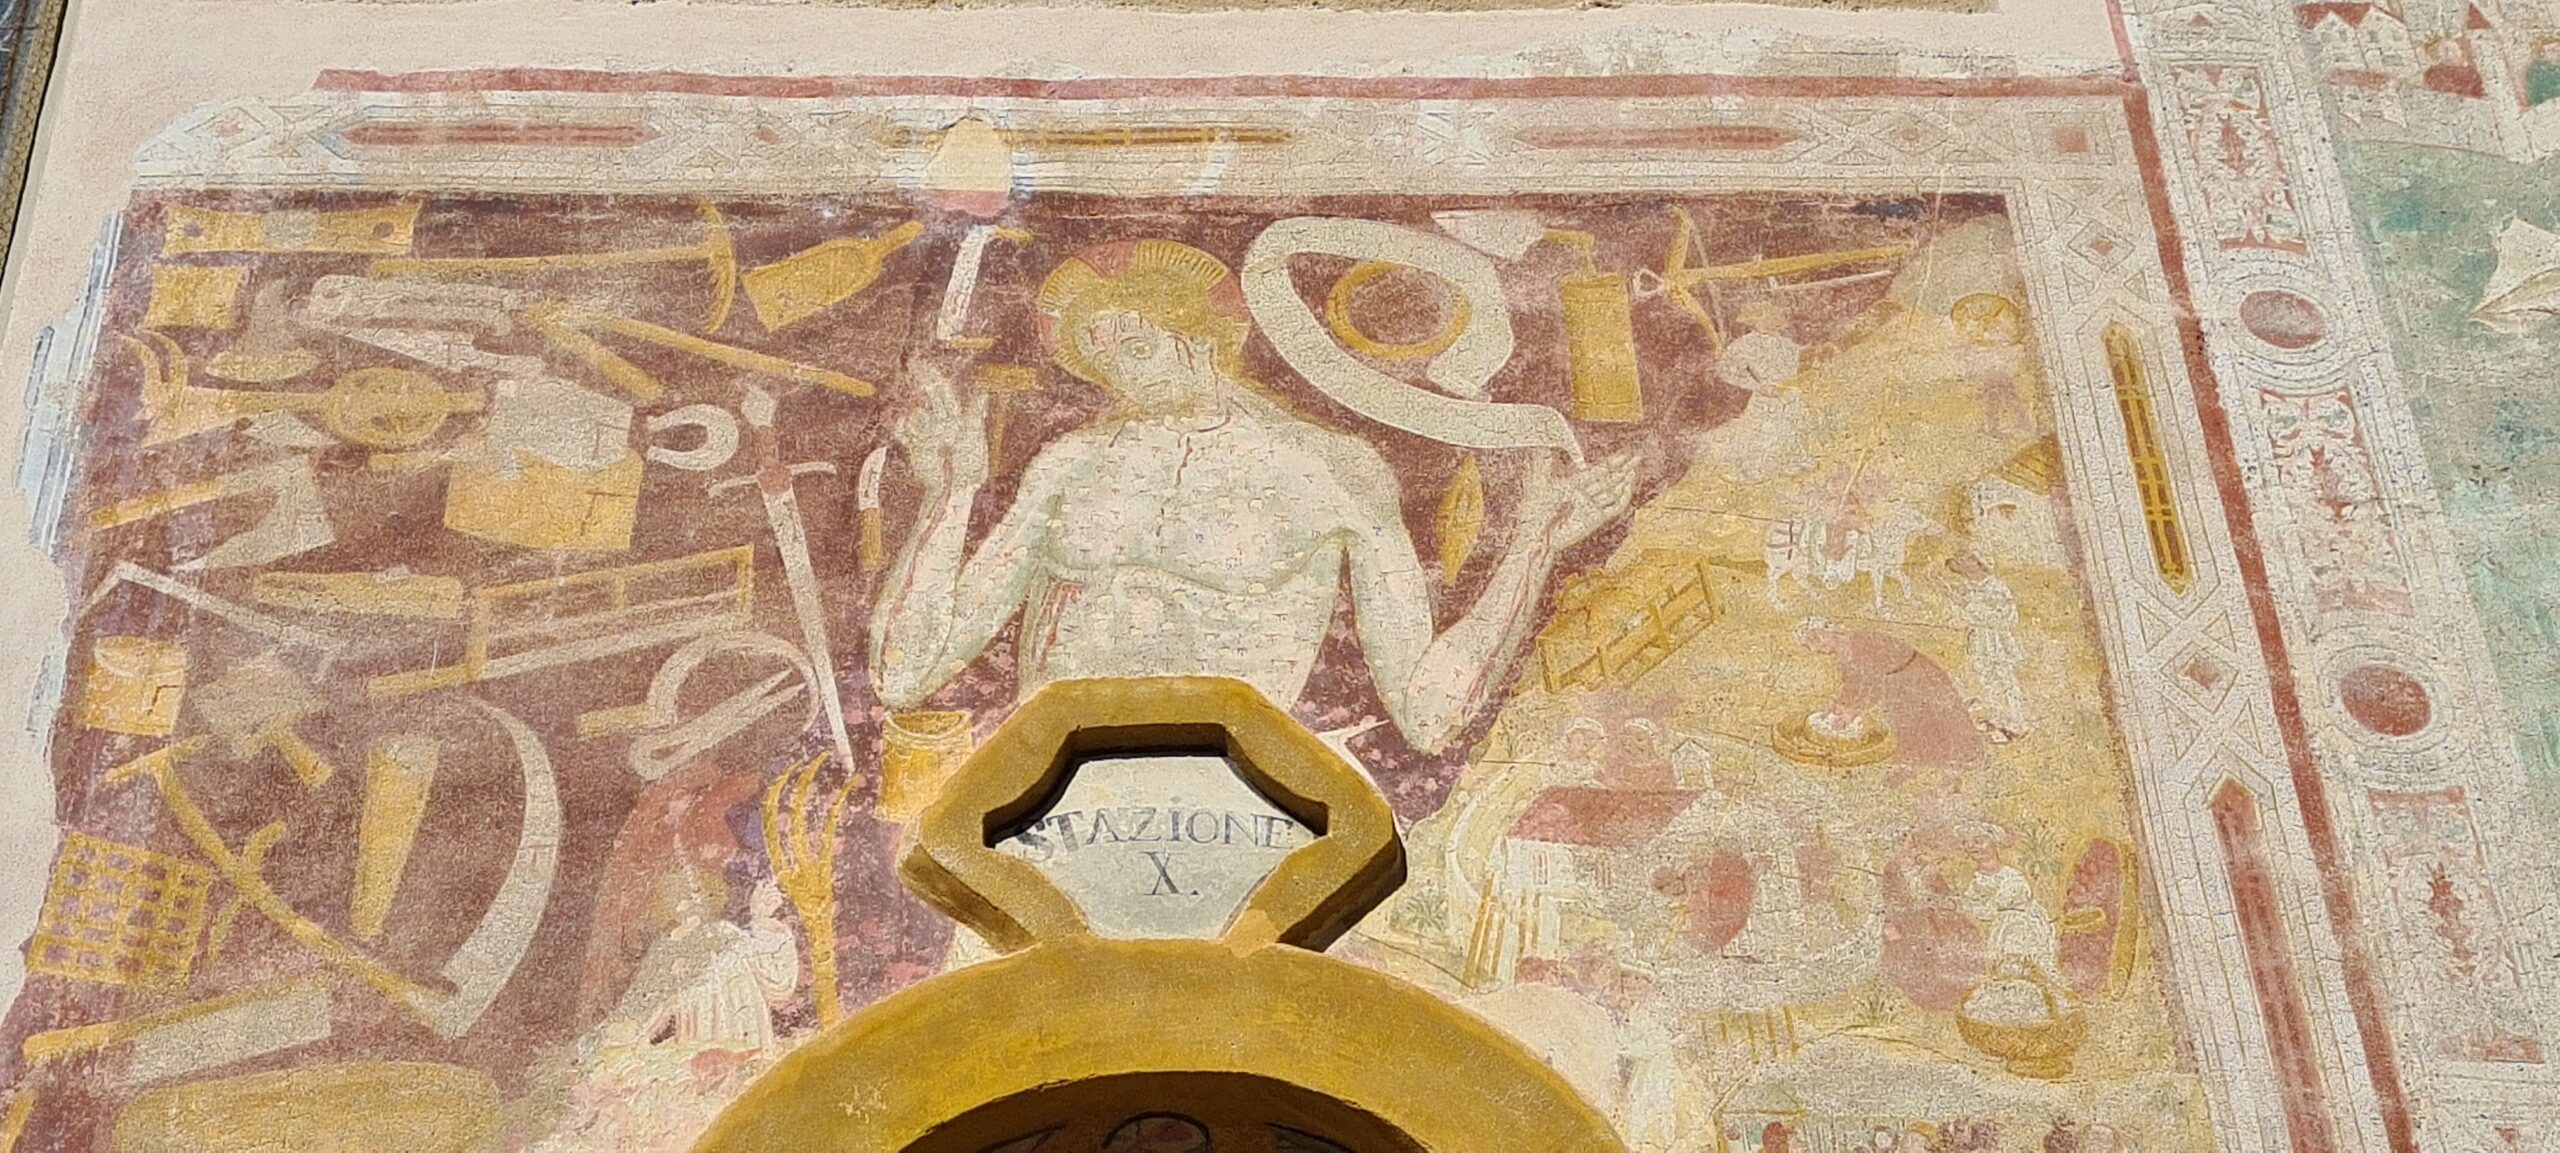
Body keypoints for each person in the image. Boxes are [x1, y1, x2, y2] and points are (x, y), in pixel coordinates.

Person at [871, 238, 1636, 754]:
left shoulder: (1329, 470)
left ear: (1204, 336)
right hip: (1054, 790)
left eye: (1138, 345)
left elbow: (1428, 714)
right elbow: (904, 674)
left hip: (1239, 801)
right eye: (1104, 361)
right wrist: (950, 493)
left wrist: (1533, 546)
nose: (1126, 378)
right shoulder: (1068, 465)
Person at [1796, 618, 1986, 771]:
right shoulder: (1842, 654)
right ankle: (1924, 762)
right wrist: (1841, 704)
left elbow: (1874, 682)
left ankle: (1967, 758)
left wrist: (1854, 710)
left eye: (1815, 639)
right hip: (1898, 686)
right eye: (1808, 645)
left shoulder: (1859, 642)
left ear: (1828, 632)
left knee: (1941, 722)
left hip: (1919, 678)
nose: (1814, 648)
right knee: (1910, 730)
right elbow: (1853, 683)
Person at [1947, 552, 2029, 742]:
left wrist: (1966, 606)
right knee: (1987, 681)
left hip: (1996, 641)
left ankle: (2017, 723)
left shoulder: (1995, 587)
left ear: (1978, 562)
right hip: (1978, 641)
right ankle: (1998, 719)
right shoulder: (1968, 588)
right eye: (1960, 560)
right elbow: (1962, 616)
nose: (1961, 562)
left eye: (1966, 558)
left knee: (2005, 681)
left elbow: (2008, 619)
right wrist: (1957, 607)